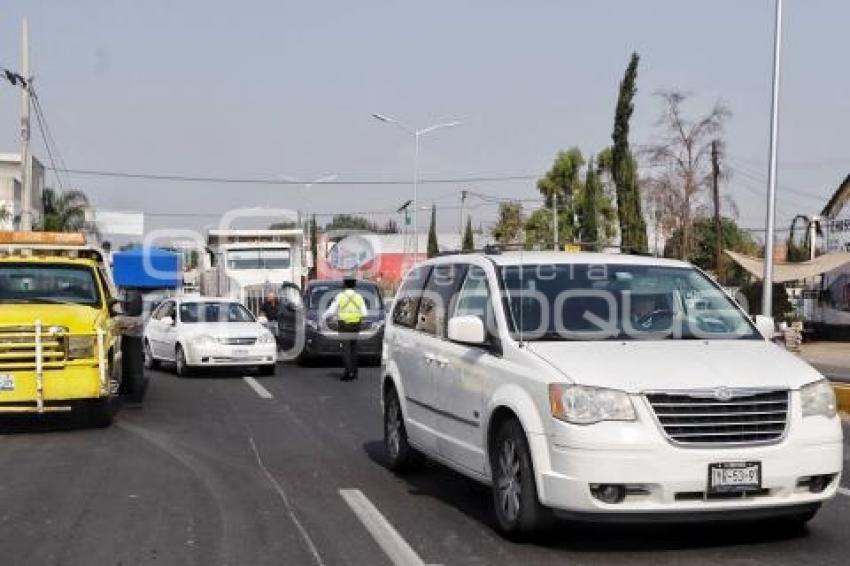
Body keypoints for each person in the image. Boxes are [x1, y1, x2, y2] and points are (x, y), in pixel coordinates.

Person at [323, 277, 368, 381]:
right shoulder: (359, 297)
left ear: (344, 285)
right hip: (356, 325)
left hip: (344, 325)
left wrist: (323, 317)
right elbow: (365, 313)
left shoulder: (340, 296)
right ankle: (355, 372)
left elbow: (331, 310)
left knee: (346, 349)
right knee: (354, 348)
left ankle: (348, 373)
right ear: (354, 285)